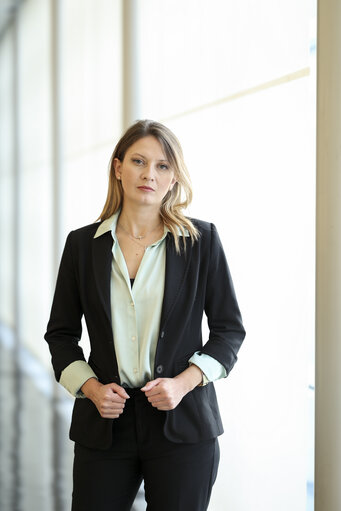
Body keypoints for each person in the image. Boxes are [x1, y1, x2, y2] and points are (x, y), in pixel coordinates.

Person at [44, 119, 246, 511]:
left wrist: (184, 383)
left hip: (183, 424)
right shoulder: (82, 246)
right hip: (105, 423)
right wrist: (92, 390)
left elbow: (229, 331)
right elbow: (61, 335)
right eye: (139, 161)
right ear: (118, 168)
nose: (149, 174)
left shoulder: (201, 243)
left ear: (173, 178)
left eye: (162, 166)